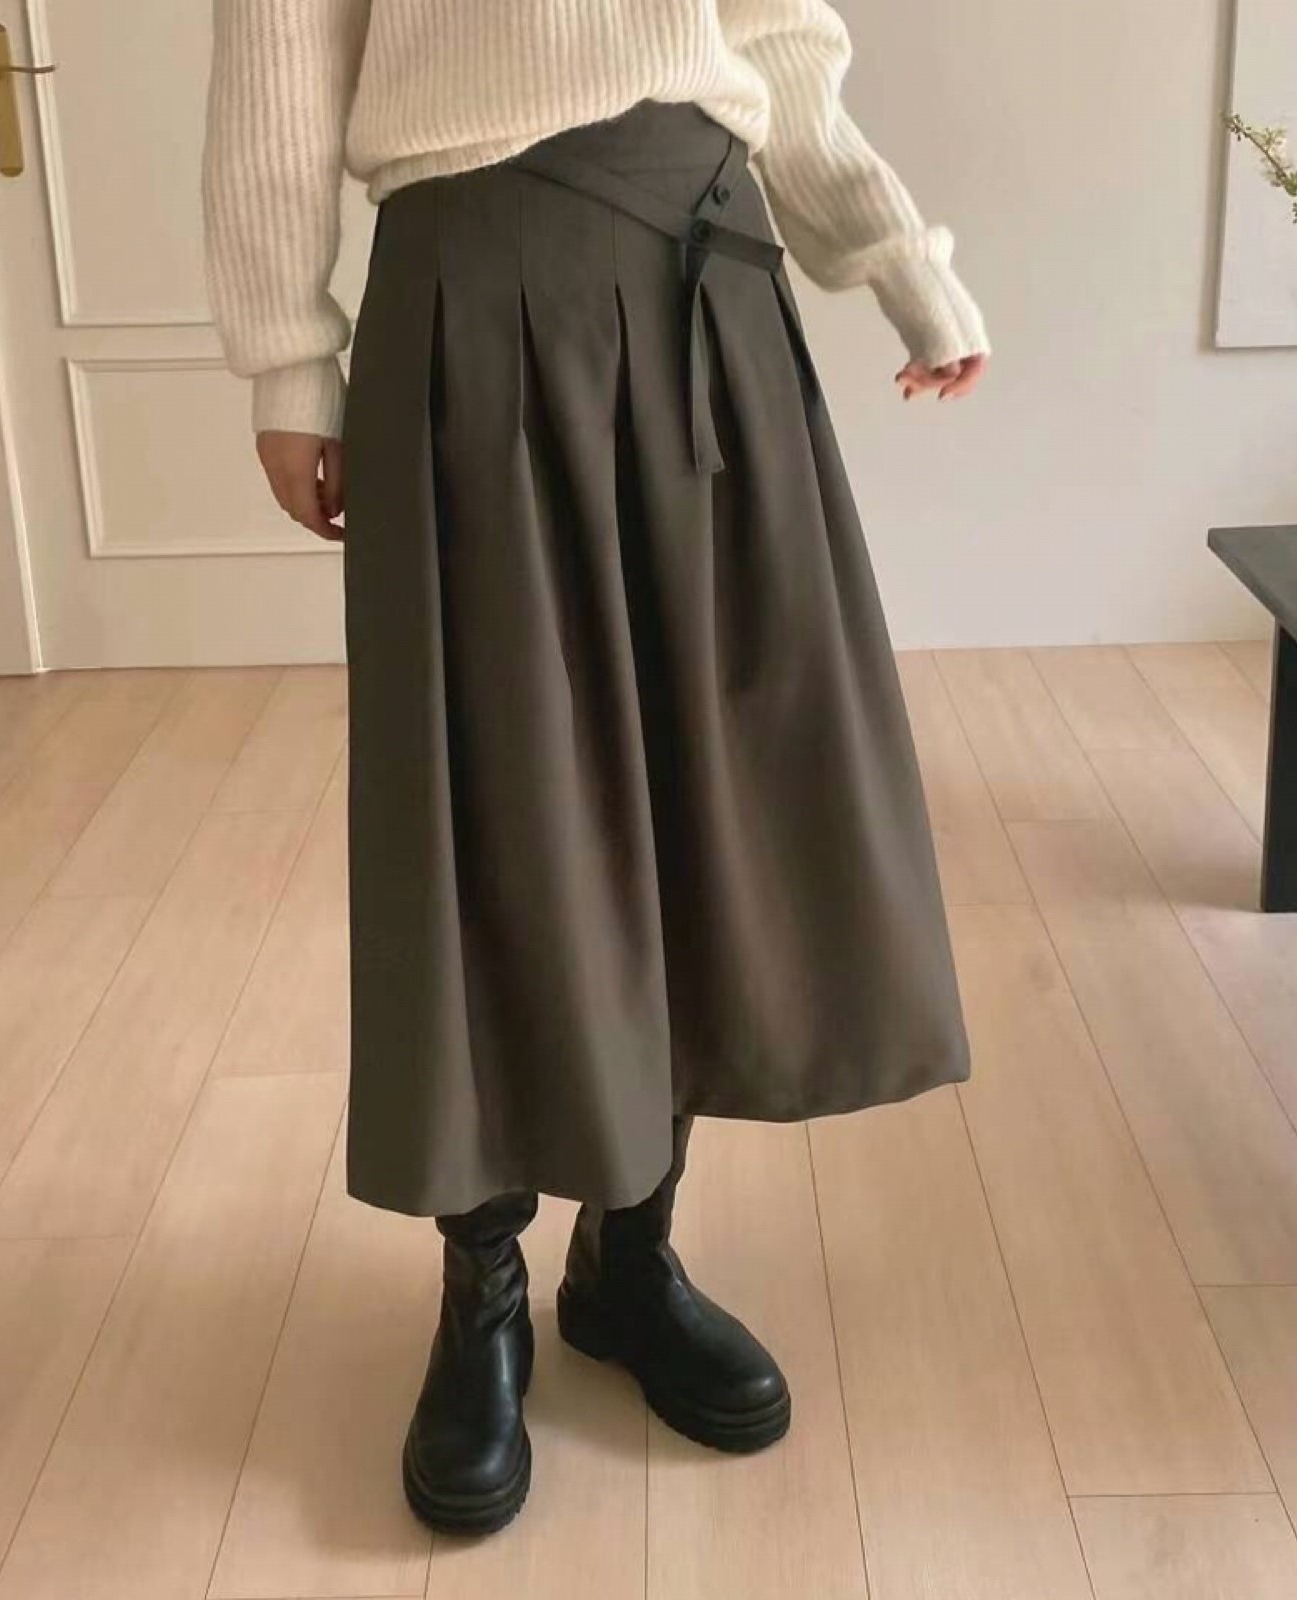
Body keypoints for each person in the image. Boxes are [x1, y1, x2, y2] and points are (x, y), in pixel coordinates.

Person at [202, 0, 989, 1538]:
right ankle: (482, 1284)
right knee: (495, 805)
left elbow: (775, 34)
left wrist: (896, 255)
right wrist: (287, 356)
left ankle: (630, 1257)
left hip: (705, 272)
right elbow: (282, 49)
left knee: (708, 787)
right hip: (472, 287)